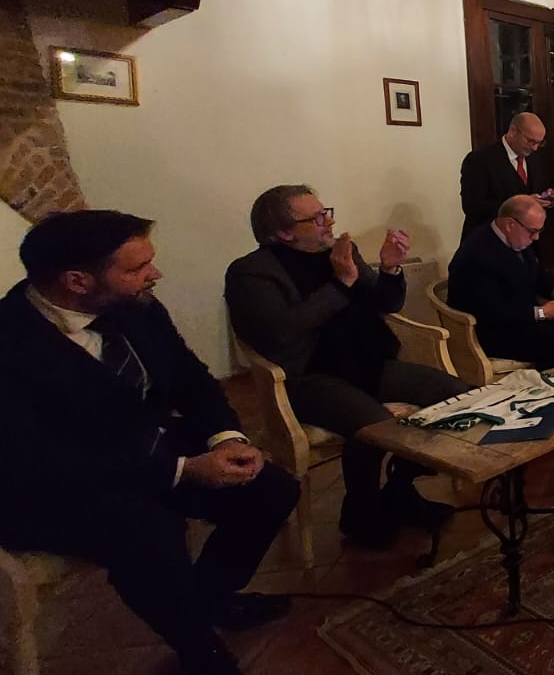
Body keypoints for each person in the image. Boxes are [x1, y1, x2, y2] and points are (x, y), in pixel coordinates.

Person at [0, 211, 299, 675]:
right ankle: (199, 649)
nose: (154, 274)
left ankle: (209, 598)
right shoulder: (9, 342)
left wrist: (226, 437)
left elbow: (192, 381)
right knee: (148, 532)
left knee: (271, 489)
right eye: (137, 268)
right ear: (77, 281)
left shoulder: (136, 305)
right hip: (52, 483)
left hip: (144, 446)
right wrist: (182, 469)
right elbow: (38, 460)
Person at [225, 185, 467, 549]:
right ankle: (360, 511)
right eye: (316, 218)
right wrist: (341, 284)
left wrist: (390, 268)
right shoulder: (251, 273)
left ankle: (400, 488)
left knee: (459, 397)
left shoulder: (339, 252)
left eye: (327, 212)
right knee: (379, 429)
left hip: (367, 363)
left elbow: (386, 303)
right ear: (284, 232)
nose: (329, 222)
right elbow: (280, 333)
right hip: (308, 376)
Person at [448, 195, 554, 370]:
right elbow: (490, 311)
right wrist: (540, 312)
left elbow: (532, 272)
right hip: (492, 332)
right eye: (532, 231)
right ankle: (549, 384)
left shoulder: (513, 238)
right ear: (510, 224)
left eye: (539, 231)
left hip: (520, 321)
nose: (536, 237)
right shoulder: (477, 255)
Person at [459, 112, 554, 240]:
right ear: (513, 131)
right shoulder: (479, 160)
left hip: (527, 242)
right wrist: (519, 205)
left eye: (539, 143)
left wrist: (547, 198)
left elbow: (534, 193)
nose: (535, 148)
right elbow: (472, 206)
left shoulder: (536, 160)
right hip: (488, 241)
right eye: (530, 141)